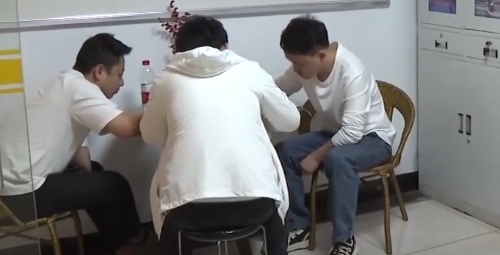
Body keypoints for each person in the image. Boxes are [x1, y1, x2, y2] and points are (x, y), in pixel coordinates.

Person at [139, 16, 302, 255]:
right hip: (255, 205)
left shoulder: (166, 80)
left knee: (167, 200)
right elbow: (290, 121)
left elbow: (150, 136)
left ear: (178, 50)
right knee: (274, 199)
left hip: (188, 210)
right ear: (224, 46)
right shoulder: (249, 71)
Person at [0, 33, 146, 255]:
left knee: (97, 175)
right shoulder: (81, 90)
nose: (121, 82)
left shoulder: (64, 84)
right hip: (16, 197)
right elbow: (127, 128)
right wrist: (162, 110)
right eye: (119, 75)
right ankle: (132, 239)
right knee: (113, 184)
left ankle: (118, 244)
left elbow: (83, 164)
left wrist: (89, 182)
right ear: (99, 71)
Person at [273, 15, 396, 255]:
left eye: (299, 64)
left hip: (373, 138)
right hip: (334, 133)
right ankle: (299, 226)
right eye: (293, 64)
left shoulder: (352, 73)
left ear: (321, 55)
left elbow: (353, 131)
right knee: (285, 151)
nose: (295, 70)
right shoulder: (304, 67)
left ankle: (344, 239)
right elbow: (277, 88)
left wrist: (315, 157)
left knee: (338, 159)